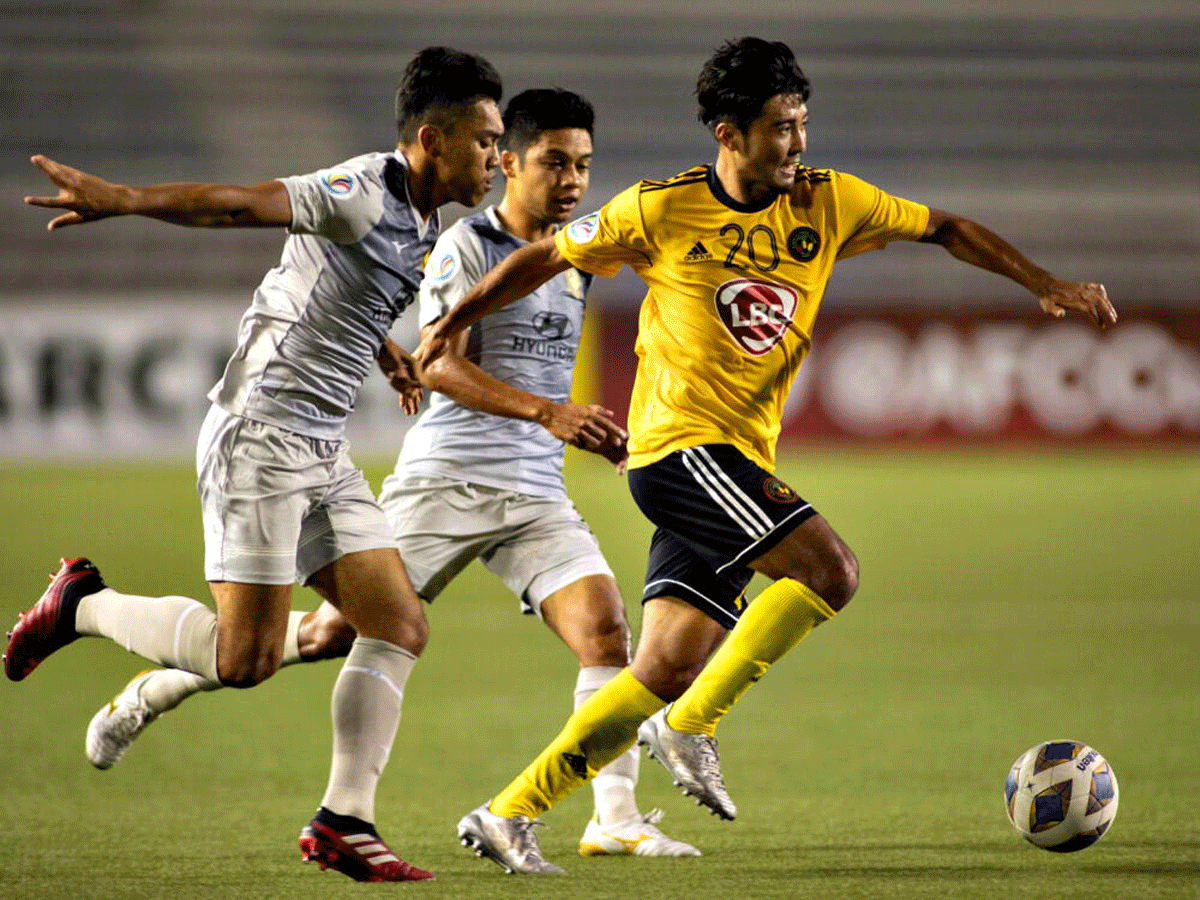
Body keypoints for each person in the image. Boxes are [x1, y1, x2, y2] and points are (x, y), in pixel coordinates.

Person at [413, 37, 1118, 875]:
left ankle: (508, 812)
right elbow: (545, 255)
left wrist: (1042, 282)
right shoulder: (658, 209)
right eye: (782, 128)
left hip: (736, 458)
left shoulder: (832, 201)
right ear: (728, 133)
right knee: (832, 572)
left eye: (803, 123)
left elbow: (949, 228)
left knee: (665, 666)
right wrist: (454, 322)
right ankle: (689, 729)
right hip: (679, 452)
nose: (799, 143)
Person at [81, 87, 699, 869]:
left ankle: (613, 817)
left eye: (583, 165)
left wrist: (587, 428)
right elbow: (444, 365)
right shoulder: (466, 246)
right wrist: (549, 412)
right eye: (554, 163)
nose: (573, 180)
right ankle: (161, 686)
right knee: (323, 635)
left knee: (606, 629)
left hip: (535, 490)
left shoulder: (575, 256)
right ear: (508, 161)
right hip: (446, 481)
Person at [7, 46, 506, 883]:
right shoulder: (360, 192)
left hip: (319, 447)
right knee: (244, 662)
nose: (498, 157)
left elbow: (335, 287)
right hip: (260, 438)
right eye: (487, 141)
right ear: (433, 138)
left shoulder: (426, 220)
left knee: (398, 624)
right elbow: (243, 205)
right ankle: (84, 605)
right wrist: (123, 200)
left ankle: (345, 821)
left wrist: (382, 350)